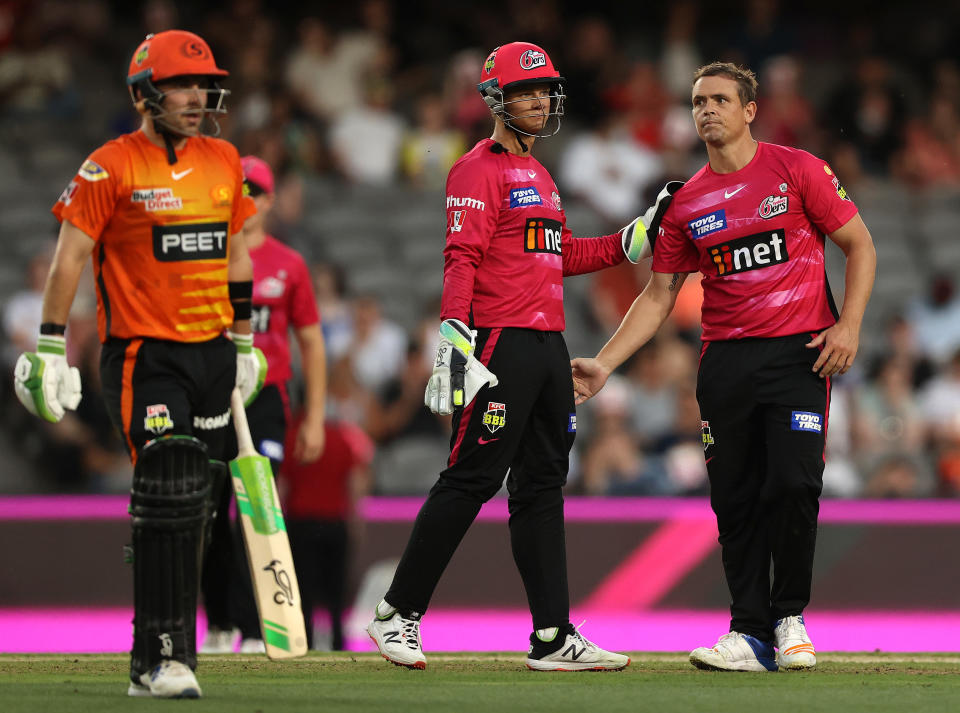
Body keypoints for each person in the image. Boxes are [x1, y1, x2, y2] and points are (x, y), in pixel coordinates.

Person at [571, 61, 876, 672]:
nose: (706, 110)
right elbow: (659, 295)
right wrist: (605, 364)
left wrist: (849, 327)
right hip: (726, 363)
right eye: (697, 102)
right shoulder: (687, 201)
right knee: (734, 501)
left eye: (718, 99)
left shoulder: (797, 169)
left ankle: (790, 617)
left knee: (793, 484)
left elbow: (860, 245)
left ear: (748, 110)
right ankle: (749, 633)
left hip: (797, 355)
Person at [366, 41, 638, 672]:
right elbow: (460, 260)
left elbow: (562, 255)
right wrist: (454, 337)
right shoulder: (475, 169)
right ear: (496, 98)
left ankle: (552, 637)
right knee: (472, 478)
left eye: (545, 90)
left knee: (542, 487)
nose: (539, 99)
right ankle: (396, 614)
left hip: (548, 345)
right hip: (498, 341)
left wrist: (633, 237)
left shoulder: (541, 174)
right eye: (525, 90)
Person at [13, 30, 266, 698]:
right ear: (143, 94)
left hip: (214, 352)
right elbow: (70, 258)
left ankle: (171, 651)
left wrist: (243, 344)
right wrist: (47, 345)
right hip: (143, 355)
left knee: (206, 499)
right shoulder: (109, 166)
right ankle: (158, 657)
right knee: (172, 485)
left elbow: (237, 254)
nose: (196, 95)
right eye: (180, 85)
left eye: (202, 83)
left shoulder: (223, 159)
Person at [201, 155, 327, 654]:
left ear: (270, 201)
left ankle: (258, 628)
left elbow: (311, 342)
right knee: (211, 511)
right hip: (214, 395)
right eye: (237, 189)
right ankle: (219, 623)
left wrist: (314, 416)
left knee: (257, 508)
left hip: (267, 397)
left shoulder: (288, 264)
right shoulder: (209, 256)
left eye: (253, 191)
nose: (245, 198)